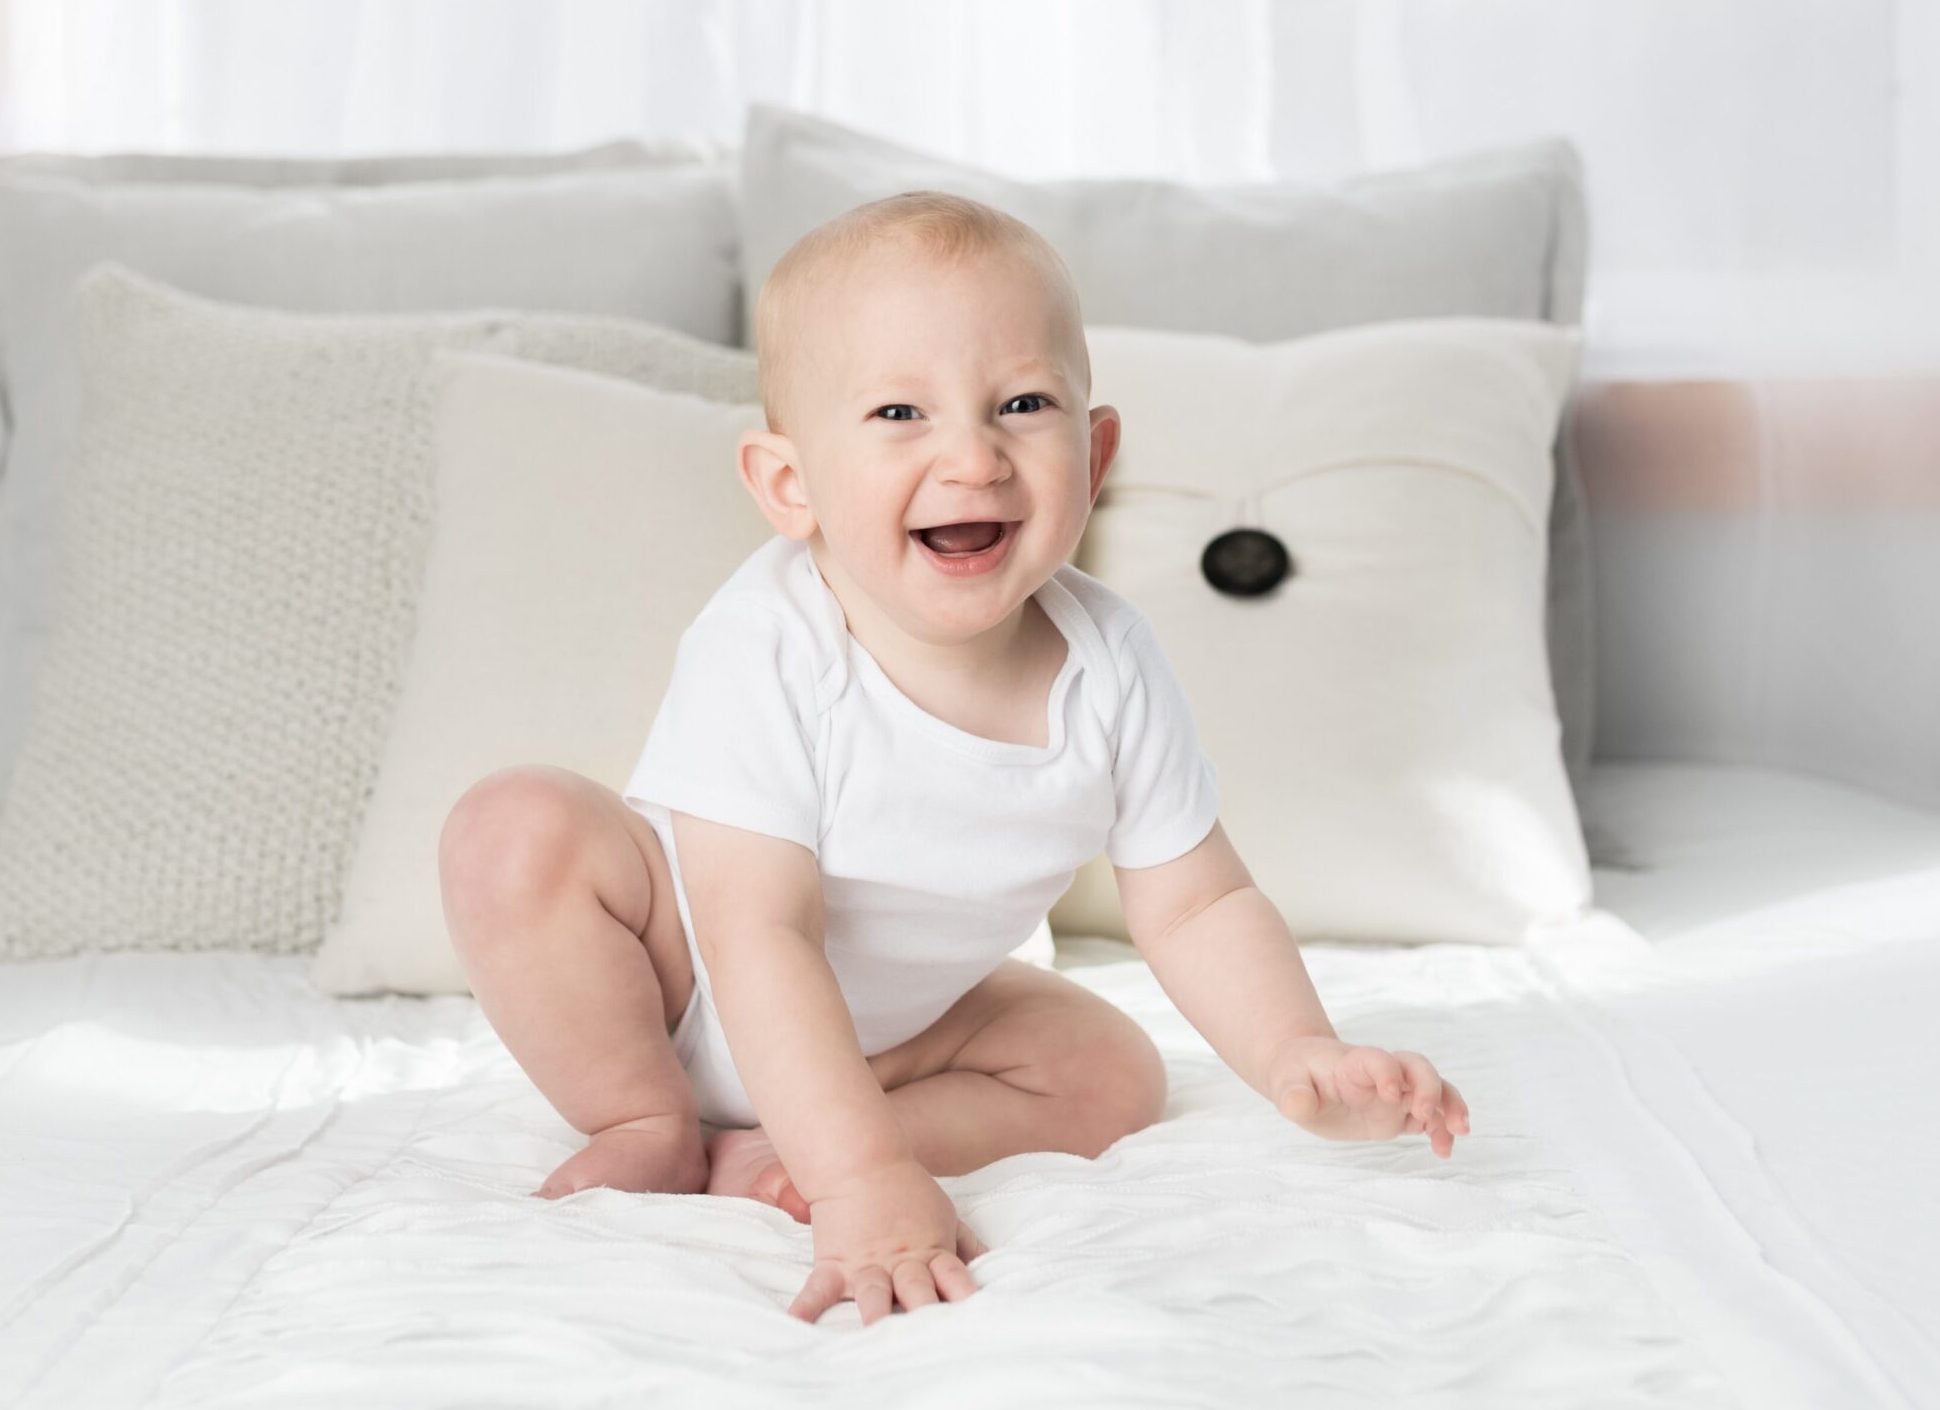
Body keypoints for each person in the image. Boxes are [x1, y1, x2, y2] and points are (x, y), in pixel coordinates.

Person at [439, 189, 1470, 1327]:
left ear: (1098, 449)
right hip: (681, 974)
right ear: (790, 485)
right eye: (897, 413)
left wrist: (1296, 1054)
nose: (971, 457)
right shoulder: (769, 641)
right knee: (515, 828)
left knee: (1112, 1072)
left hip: (898, 1032)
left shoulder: (1109, 660)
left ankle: (776, 1149)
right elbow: (757, 933)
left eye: (1022, 404)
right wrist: (866, 1186)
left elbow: (1198, 902)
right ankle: (648, 1120)